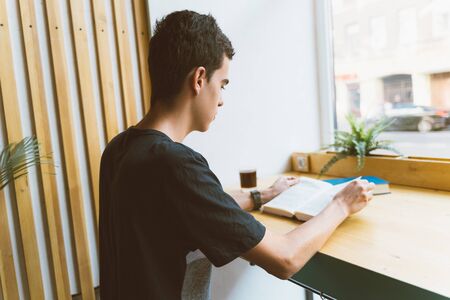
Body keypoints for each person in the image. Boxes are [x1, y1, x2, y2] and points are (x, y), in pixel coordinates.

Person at [99, 10, 375, 300]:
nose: (221, 99)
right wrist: (342, 204)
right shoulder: (175, 164)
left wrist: (262, 196)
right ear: (199, 78)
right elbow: (285, 259)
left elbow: (191, 207)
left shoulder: (120, 149)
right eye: (223, 85)